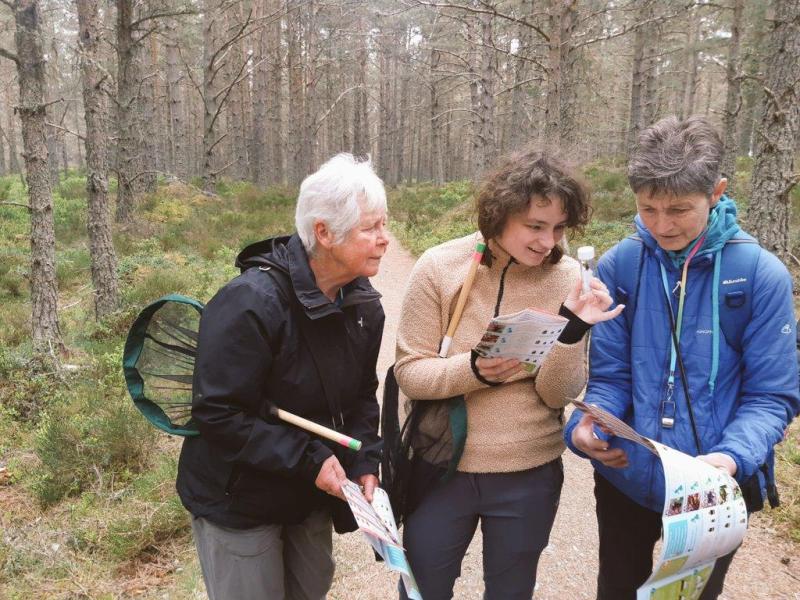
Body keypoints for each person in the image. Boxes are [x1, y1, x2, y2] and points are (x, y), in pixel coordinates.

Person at [564, 116, 800, 600]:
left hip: (712, 489)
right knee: (617, 588)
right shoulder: (620, 264)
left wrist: (732, 459)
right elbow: (610, 377)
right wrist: (587, 428)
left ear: (716, 192)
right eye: (647, 208)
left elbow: (772, 395)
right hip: (628, 475)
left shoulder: (759, 275)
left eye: (678, 209)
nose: (661, 225)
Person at [393, 149, 624, 600]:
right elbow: (410, 373)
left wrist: (573, 330)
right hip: (442, 466)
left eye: (559, 228)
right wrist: (475, 370)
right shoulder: (440, 267)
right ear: (498, 215)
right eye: (535, 226)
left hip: (528, 471)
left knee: (511, 591)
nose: (547, 241)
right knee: (421, 589)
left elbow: (557, 395)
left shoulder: (569, 278)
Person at [176, 154, 389, 600]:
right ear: (324, 233)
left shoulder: (363, 306)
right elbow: (217, 413)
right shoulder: (250, 303)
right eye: (370, 228)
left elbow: (362, 397)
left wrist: (366, 457)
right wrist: (309, 459)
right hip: (238, 497)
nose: (384, 240)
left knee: (310, 588)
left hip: (306, 493)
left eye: (384, 225)